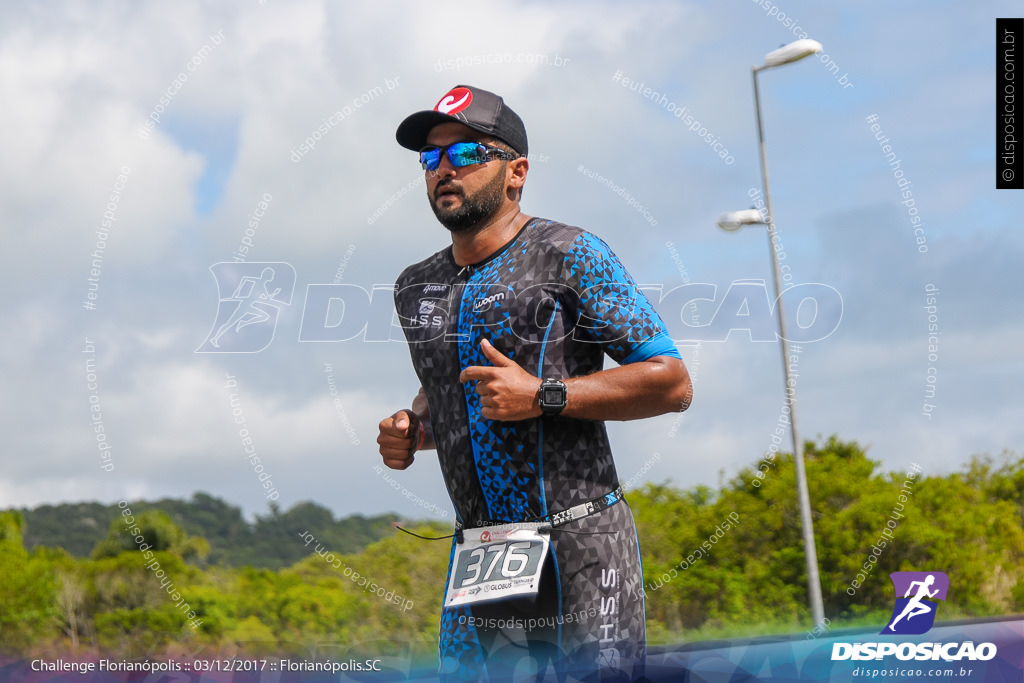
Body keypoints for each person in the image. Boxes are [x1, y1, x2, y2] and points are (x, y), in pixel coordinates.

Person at [378, 84, 692, 682]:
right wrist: (414, 428)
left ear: (516, 172)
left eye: (466, 154)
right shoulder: (414, 285)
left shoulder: (570, 256)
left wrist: (544, 396)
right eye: (431, 158)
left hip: (580, 544)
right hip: (482, 555)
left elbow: (671, 382)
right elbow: (451, 391)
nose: (444, 170)